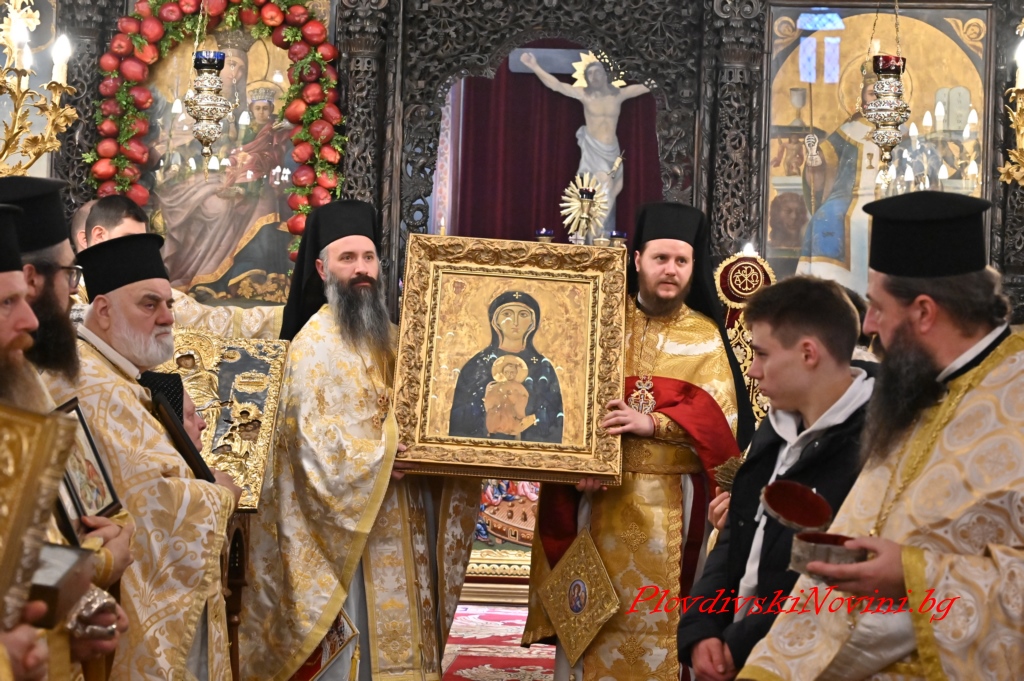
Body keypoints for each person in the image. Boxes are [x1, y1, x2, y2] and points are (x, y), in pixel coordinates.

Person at [738, 191, 1024, 679]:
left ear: (925, 312)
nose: (867, 325)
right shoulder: (915, 395)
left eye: (876, 306)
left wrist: (914, 575)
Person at [240, 200, 478, 681]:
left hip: (405, 514)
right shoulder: (314, 343)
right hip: (348, 533)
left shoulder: (396, 339)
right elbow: (308, 446)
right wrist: (383, 457)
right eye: (347, 258)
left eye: (368, 257)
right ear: (322, 269)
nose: (361, 269)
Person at [523, 202, 754, 680]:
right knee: (591, 625)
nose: (670, 270)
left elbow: (723, 423)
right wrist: (579, 462)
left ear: (693, 267)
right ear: (637, 260)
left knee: (663, 631)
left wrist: (656, 423)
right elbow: (565, 399)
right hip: (598, 502)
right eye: (660, 259)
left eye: (681, 261)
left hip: (672, 508)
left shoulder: (705, 336)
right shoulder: (602, 323)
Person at [43, 233, 241, 681]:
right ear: (103, 311)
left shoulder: (112, 374)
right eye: (149, 304)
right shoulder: (94, 384)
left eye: (168, 304)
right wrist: (221, 496)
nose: (167, 317)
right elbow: (150, 498)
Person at [677, 276, 872, 680]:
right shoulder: (776, 425)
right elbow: (737, 534)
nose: (752, 371)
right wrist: (702, 627)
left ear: (808, 353)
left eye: (762, 354)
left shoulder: (872, 443)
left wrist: (739, 643)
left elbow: (827, 581)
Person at [0, 186, 134, 679]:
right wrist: (96, 566)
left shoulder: (19, 383)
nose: (28, 317)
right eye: (7, 302)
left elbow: (23, 554)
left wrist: (76, 613)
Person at [74, 195, 282, 338]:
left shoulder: (150, 290)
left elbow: (213, 320)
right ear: (97, 235)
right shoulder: (71, 294)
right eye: (129, 240)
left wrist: (288, 315)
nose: (137, 253)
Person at [519, 52, 649, 236]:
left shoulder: (618, 95)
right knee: (602, 190)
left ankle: (597, 237)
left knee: (613, 190)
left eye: (598, 72)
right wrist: (534, 66)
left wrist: (667, 72)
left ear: (606, 75)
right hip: (593, 152)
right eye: (590, 74)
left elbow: (645, 87)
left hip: (612, 152)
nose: (594, 77)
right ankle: (595, 237)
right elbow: (556, 85)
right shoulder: (584, 95)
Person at [449, 293, 562, 442]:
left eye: (523, 315)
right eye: (507, 314)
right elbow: (461, 418)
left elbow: (552, 416)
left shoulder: (542, 367)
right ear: (495, 320)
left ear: (532, 322)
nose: (514, 322)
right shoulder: (477, 364)